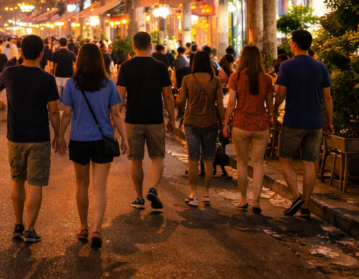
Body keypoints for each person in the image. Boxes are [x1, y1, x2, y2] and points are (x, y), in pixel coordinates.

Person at [0, 35, 59, 244]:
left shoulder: (10, 73)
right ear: (41, 54)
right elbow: (53, 111)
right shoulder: (47, 79)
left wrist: (4, 72)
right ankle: (30, 229)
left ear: (21, 52)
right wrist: (59, 135)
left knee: (17, 180)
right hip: (39, 137)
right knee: (35, 184)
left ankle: (18, 224)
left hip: (16, 136)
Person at [56, 43, 127, 247]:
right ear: (99, 60)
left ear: (79, 60)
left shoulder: (72, 84)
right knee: (100, 187)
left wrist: (60, 136)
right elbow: (116, 113)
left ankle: (83, 227)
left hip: (79, 139)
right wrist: (124, 138)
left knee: (82, 185)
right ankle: (97, 229)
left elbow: (66, 113)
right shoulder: (108, 84)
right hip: (102, 140)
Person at [273, 30, 332, 217]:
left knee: (285, 158)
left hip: (293, 120)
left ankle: (296, 196)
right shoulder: (321, 67)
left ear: (294, 44)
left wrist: (274, 110)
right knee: (309, 164)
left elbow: (280, 93)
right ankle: (305, 206)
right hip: (315, 122)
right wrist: (329, 121)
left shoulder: (287, 65)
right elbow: (327, 97)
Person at [115, 31, 176, 211]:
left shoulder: (125, 67)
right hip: (155, 118)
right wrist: (172, 119)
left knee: (136, 160)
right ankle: (153, 189)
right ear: (151, 46)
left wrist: (115, 118)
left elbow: (120, 96)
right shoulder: (161, 67)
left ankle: (139, 198)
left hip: (133, 119)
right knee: (157, 156)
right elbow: (168, 95)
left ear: (133, 46)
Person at [224, 44, 274, 214]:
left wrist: (226, 122)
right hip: (261, 124)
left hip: (241, 123)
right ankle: (256, 201)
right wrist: (271, 118)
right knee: (258, 163)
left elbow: (231, 103)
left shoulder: (235, 77)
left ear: (243, 58)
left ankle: (244, 199)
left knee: (242, 163)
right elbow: (270, 105)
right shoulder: (267, 79)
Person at [175, 50, 225, 207]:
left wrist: (178, 97)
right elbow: (220, 104)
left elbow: (180, 104)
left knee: (193, 159)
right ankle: (206, 194)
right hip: (211, 122)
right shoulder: (215, 80)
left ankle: (193, 194)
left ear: (194, 62)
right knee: (208, 160)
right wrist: (224, 122)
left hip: (191, 122)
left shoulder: (187, 79)